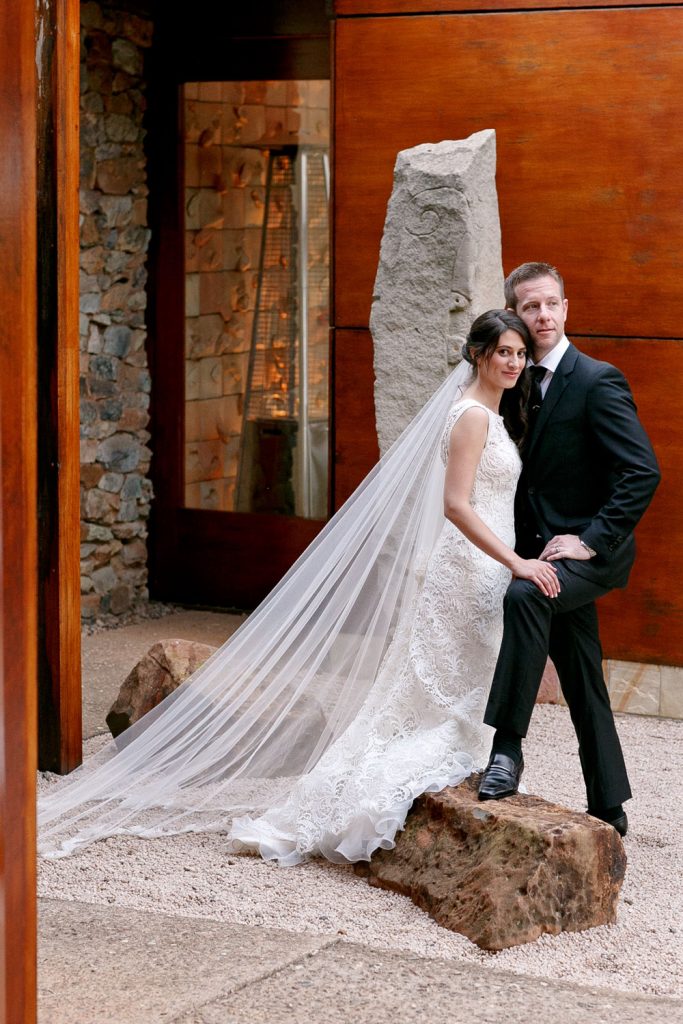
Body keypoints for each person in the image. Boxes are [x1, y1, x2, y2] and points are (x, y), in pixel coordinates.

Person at [37, 310, 551, 864]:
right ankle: (361, 803)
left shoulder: (492, 415)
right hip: (470, 566)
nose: (514, 363)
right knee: (438, 696)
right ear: (478, 354)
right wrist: (517, 562)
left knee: (452, 688)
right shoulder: (472, 416)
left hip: (485, 567)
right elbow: (455, 506)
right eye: (503, 352)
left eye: (520, 354)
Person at [478, 263, 660, 839]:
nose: (544, 316)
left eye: (552, 304)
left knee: (526, 596)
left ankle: (506, 751)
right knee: (583, 676)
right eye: (531, 308)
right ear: (516, 314)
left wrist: (590, 541)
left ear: (566, 307)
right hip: (535, 546)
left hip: (587, 555)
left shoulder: (597, 380)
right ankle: (609, 805)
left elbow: (641, 471)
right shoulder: (513, 378)